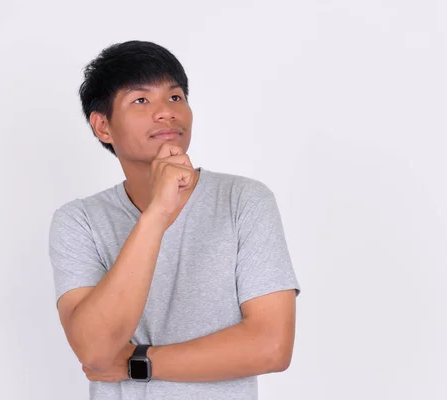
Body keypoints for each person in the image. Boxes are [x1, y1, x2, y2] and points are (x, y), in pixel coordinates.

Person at [48, 40, 301, 400]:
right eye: (140, 100)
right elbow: (95, 350)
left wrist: (140, 362)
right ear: (103, 127)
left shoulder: (244, 201)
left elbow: (271, 346)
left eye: (175, 97)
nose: (167, 112)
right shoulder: (79, 221)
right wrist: (157, 214)